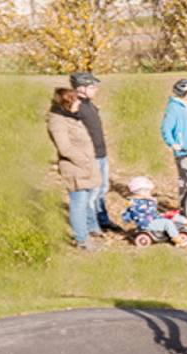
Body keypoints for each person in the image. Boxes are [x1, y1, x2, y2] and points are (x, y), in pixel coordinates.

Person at [46, 87, 100, 250]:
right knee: (78, 203)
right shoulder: (57, 122)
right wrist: (84, 161)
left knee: (83, 203)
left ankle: (85, 233)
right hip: (75, 168)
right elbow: (65, 148)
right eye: (75, 100)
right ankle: (82, 239)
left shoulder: (71, 117)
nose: (79, 103)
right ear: (66, 103)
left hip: (85, 166)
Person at [68, 71, 120, 235]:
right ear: (81, 88)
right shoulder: (75, 107)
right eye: (92, 86)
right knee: (92, 192)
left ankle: (102, 220)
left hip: (101, 154)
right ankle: (91, 226)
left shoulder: (90, 104)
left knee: (102, 189)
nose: (96, 89)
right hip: (89, 157)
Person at [121, 176, 187, 247]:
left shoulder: (144, 200)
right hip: (147, 223)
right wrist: (151, 202)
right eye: (147, 191)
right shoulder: (136, 203)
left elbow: (152, 211)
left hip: (153, 218)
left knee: (170, 215)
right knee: (167, 223)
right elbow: (143, 213)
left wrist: (152, 201)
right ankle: (176, 239)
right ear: (139, 192)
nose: (149, 193)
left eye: (149, 191)